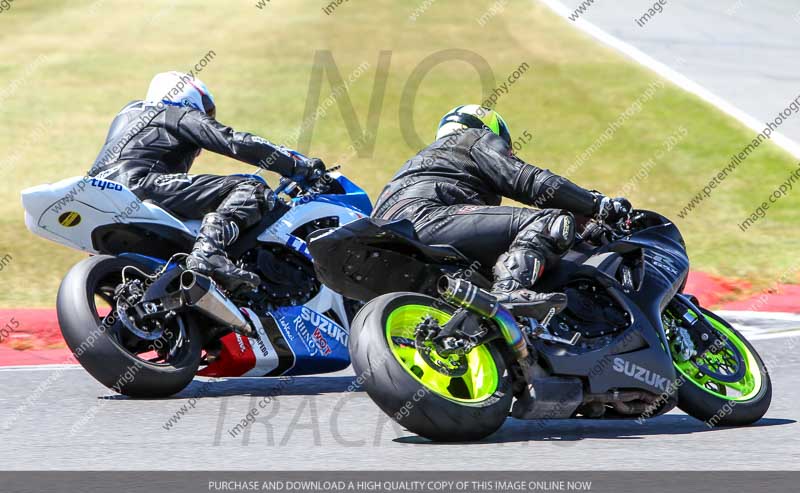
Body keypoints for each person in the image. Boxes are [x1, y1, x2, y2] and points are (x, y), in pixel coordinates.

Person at [372, 104, 631, 315]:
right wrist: (597, 204)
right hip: (426, 218)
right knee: (552, 222)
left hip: (383, 242)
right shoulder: (472, 138)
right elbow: (530, 181)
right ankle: (508, 290)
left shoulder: (418, 165)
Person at [87, 71, 325, 291]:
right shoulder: (173, 112)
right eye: (207, 110)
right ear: (188, 98)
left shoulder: (128, 117)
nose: (206, 116)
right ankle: (208, 252)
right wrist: (298, 166)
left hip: (99, 192)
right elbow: (235, 142)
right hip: (142, 184)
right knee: (251, 188)